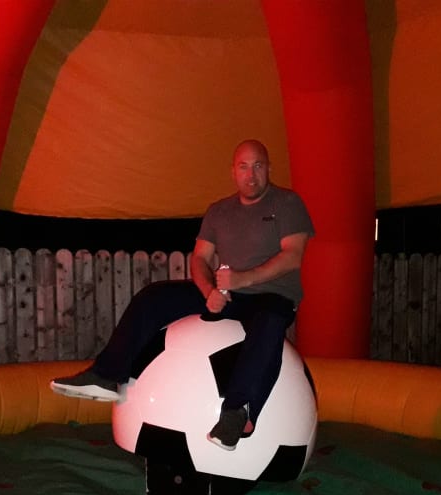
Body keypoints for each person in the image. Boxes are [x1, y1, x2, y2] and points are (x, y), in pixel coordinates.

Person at [50, 139, 314, 450]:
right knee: (154, 297)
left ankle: (237, 413)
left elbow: (292, 256)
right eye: (243, 167)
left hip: (272, 296)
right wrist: (208, 291)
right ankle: (106, 375)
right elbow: (200, 257)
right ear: (233, 172)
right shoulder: (219, 211)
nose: (251, 174)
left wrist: (243, 278)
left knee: (269, 325)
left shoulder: (287, 203)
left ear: (269, 168)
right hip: (227, 293)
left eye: (258, 166)